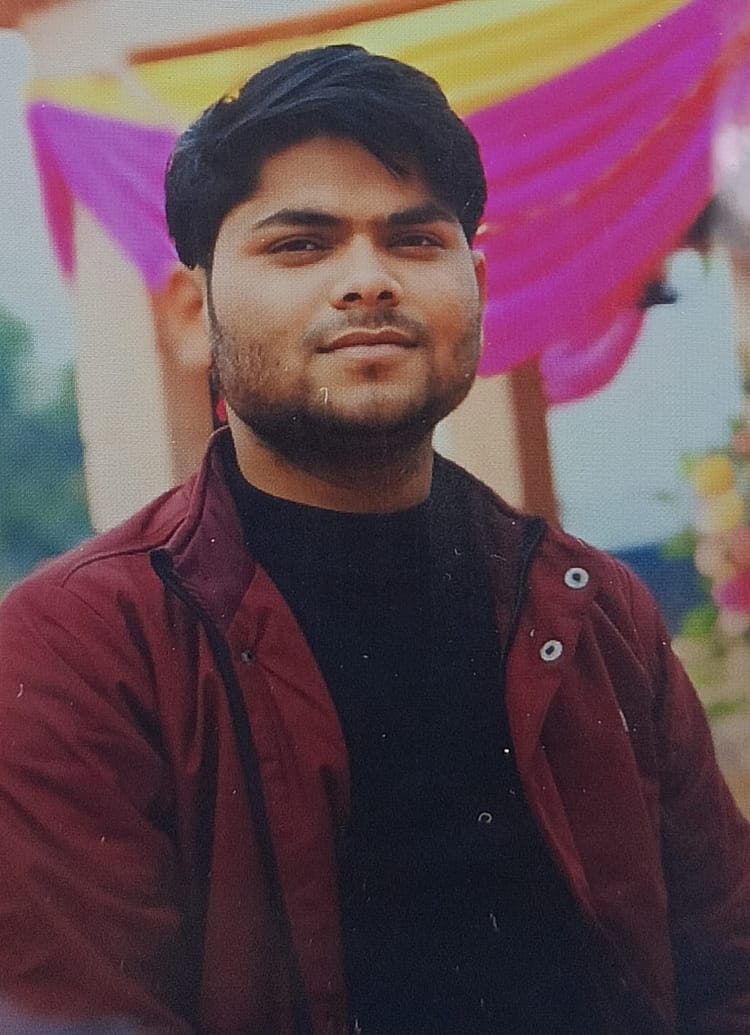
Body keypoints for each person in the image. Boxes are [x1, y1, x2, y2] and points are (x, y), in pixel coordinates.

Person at [0, 44, 748, 1035]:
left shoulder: (596, 611)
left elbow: (727, 968)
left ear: (475, 287)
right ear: (190, 314)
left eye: (414, 240)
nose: (368, 281)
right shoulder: (81, 652)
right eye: (301, 245)